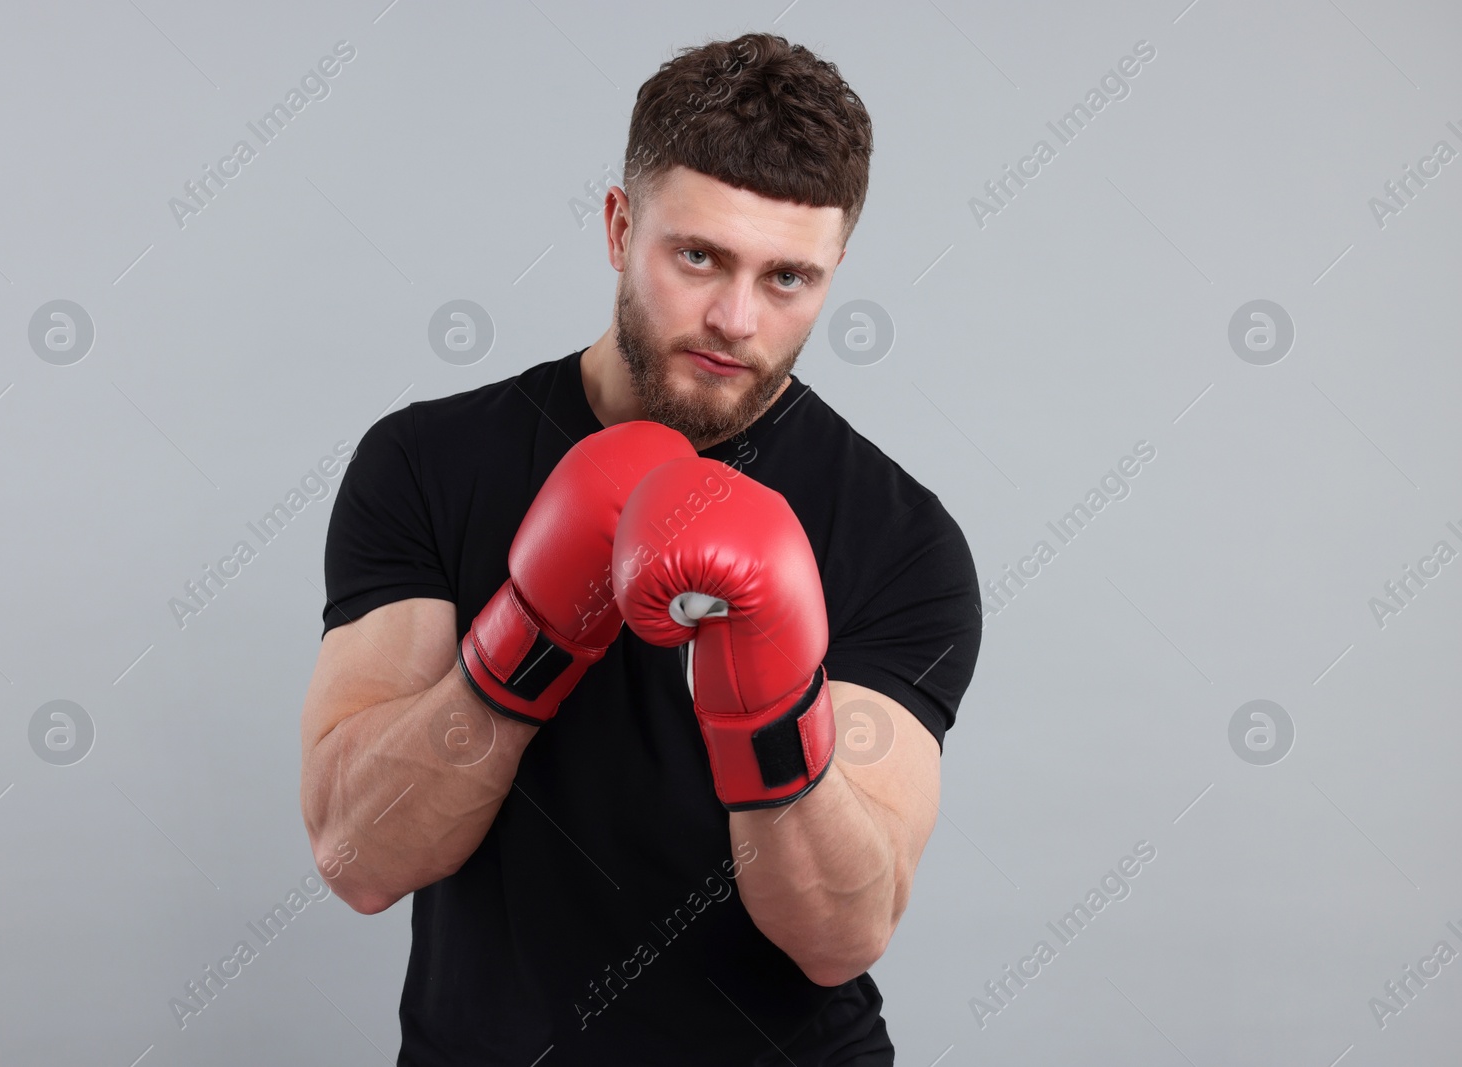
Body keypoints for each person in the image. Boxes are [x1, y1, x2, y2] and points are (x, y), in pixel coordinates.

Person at [299, 32, 983, 1065]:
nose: (735, 318)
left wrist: (769, 704)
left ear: (835, 270)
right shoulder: (428, 461)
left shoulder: (897, 537)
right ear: (620, 228)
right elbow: (357, 853)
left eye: (789, 276)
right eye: (698, 255)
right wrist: (528, 636)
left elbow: (842, 932)